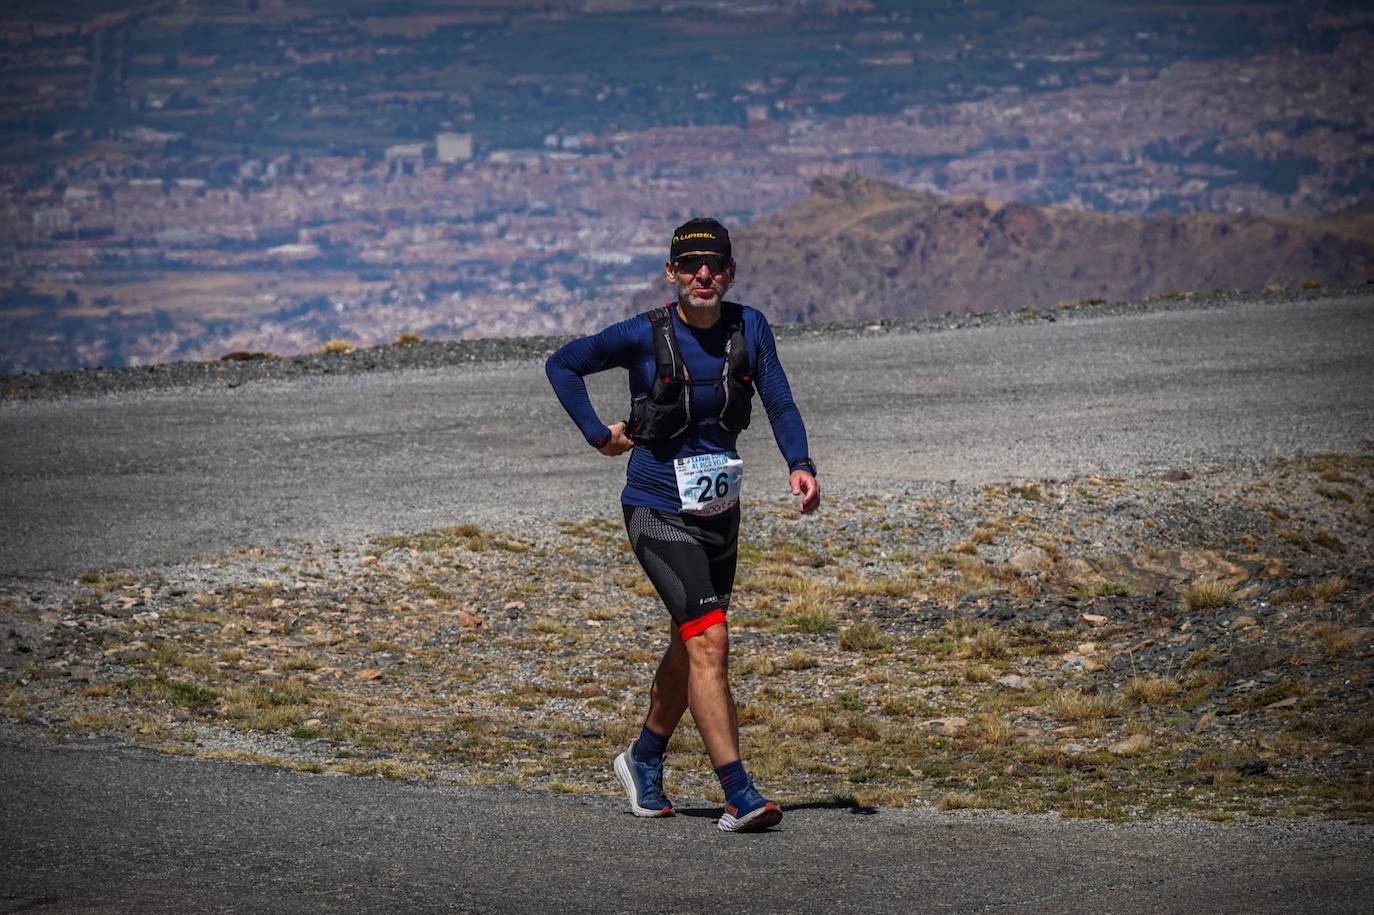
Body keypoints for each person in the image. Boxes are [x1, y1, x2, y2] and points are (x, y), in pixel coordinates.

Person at [545, 217, 820, 833]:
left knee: (691, 639)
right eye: (691, 265)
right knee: (710, 639)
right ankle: (738, 793)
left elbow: (778, 399)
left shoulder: (750, 327)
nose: (704, 275)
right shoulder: (643, 336)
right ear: (671, 273)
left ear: (729, 272)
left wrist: (800, 464)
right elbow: (562, 364)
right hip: (656, 508)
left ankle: (642, 758)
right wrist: (597, 435)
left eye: (715, 265)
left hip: (720, 511)